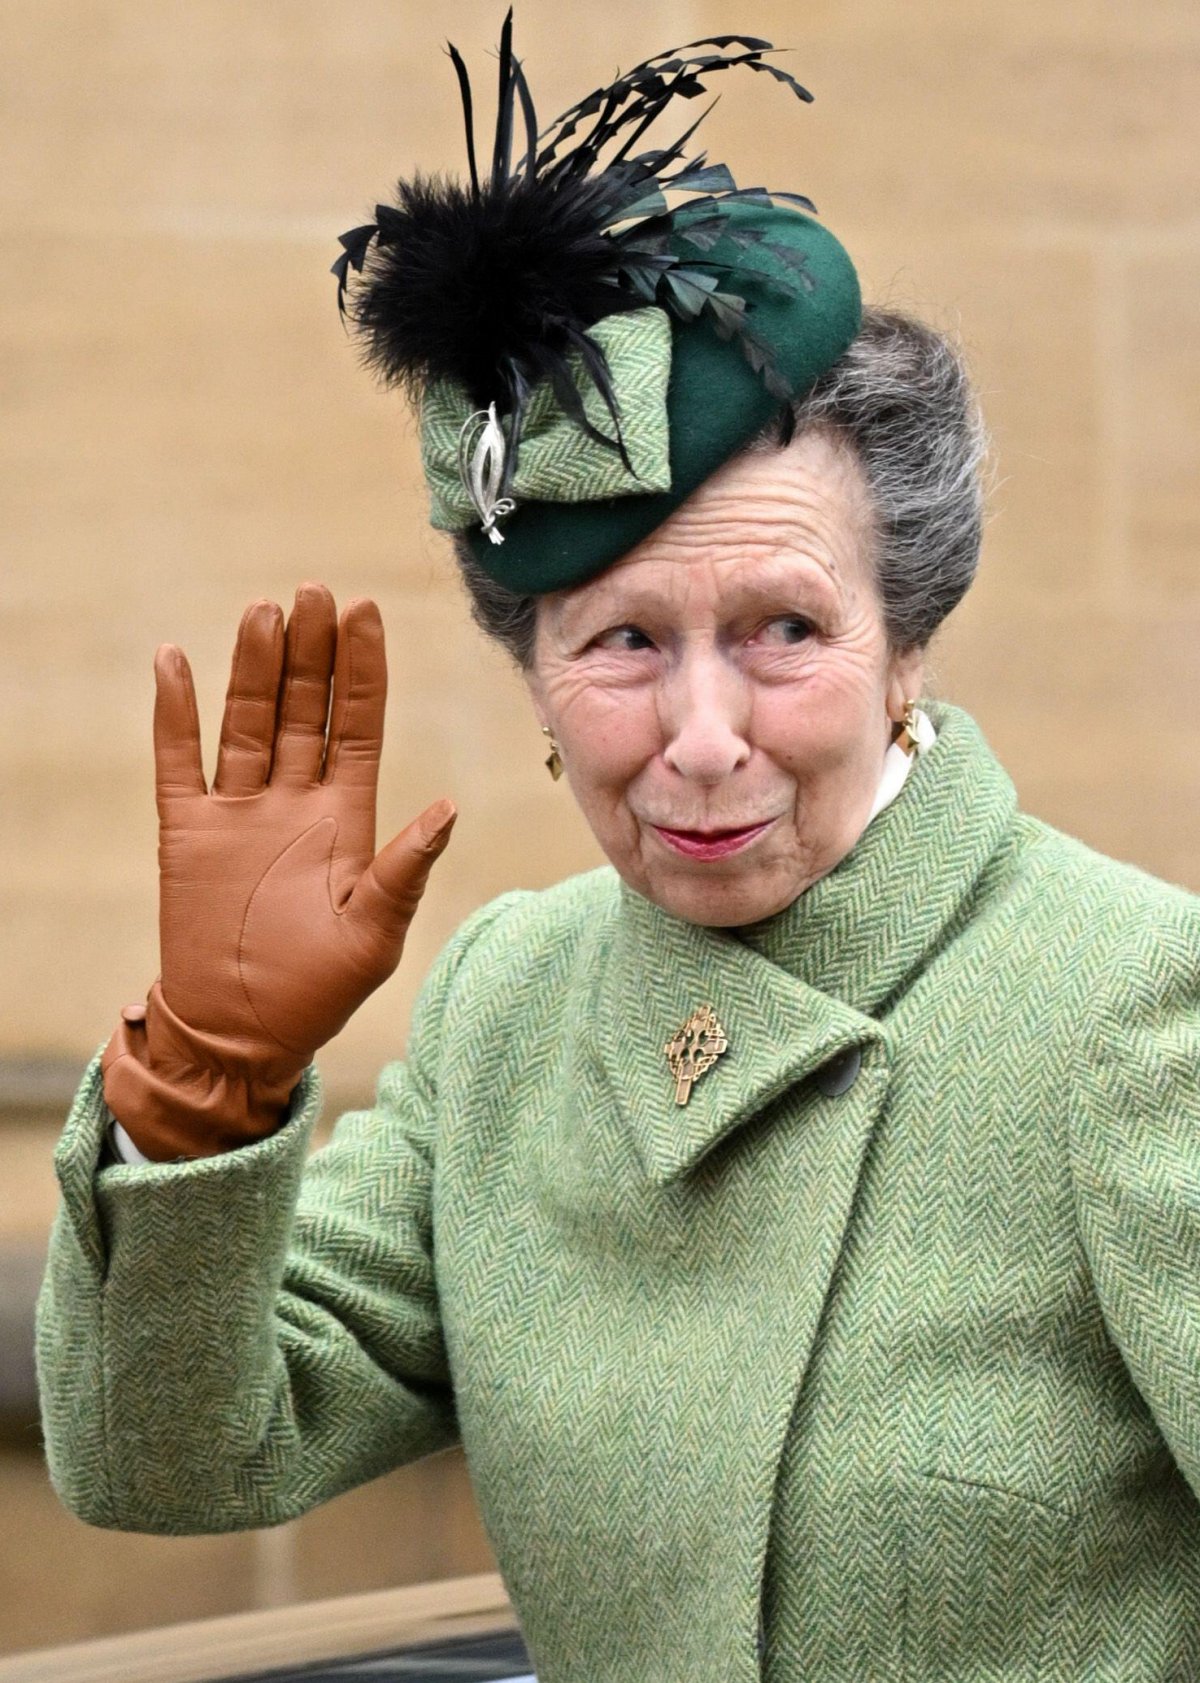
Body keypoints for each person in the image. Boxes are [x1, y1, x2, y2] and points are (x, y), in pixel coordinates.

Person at [36, 16, 1200, 1682]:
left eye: (784, 629)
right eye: (623, 642)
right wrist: (206, 1084)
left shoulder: (1132, 1004)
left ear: (909, 644)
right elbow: (172, 1462)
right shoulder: (511, 1006)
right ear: (534, 677)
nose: (703, 735)